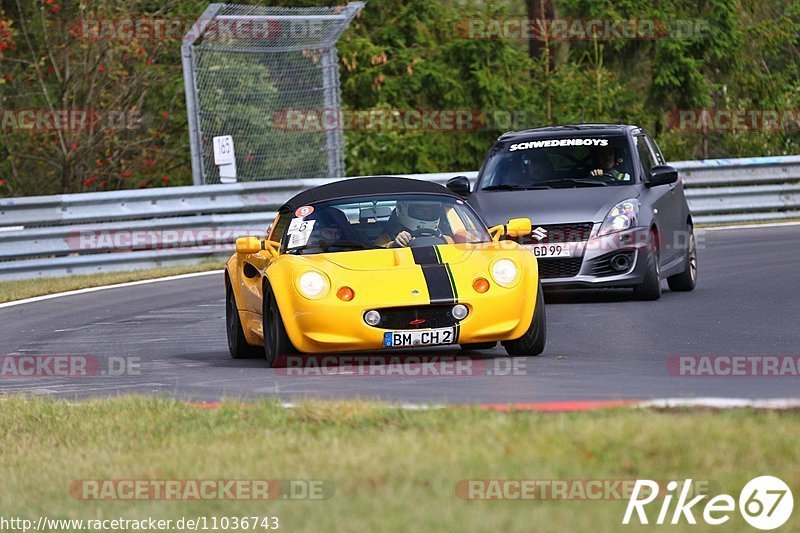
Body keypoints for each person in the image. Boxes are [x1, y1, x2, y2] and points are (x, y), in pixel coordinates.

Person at [375, 199, 454, 248]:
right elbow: (377, 254)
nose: (426, 214)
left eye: (430, 211)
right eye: (420, 211)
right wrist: (394, 244)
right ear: (402, 210)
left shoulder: (446, 239)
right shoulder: (385, 239)